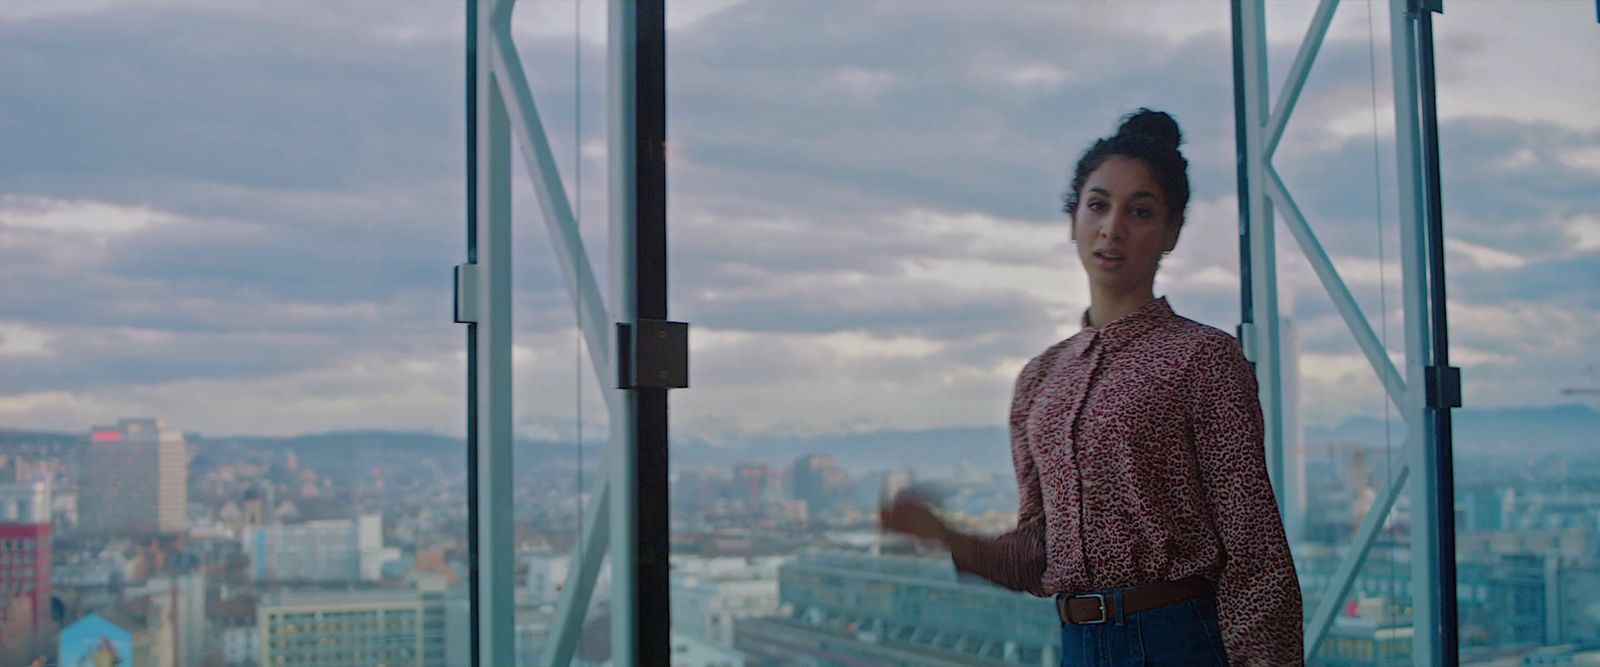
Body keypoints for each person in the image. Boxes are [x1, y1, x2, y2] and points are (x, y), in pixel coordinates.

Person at [880, 109, 1303, 666]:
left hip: (1178, 641)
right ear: (1072, 219)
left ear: (1172, 231)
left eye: (1141, 211)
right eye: (1098, 205)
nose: (1113, 228)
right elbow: (1039, 553)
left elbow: (1254, 551)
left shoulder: (1204, 358)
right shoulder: (1041, 379)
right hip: (1077, 644)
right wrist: (947, 538)